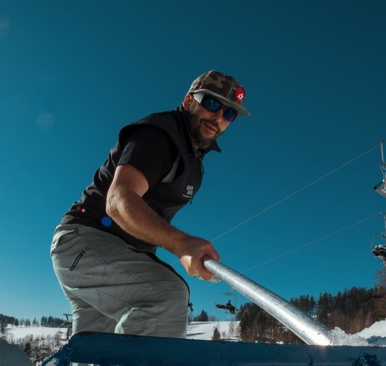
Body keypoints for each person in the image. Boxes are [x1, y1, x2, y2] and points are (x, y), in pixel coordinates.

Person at [50, 70, 250, 339]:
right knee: (166, 295)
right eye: (212, 104)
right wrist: (180, 243)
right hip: (87, 241)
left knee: (96, 346)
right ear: (190, 100)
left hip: (113, 258)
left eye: (229, 114)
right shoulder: (160, 135)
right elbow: (119, 201)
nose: (218, 117)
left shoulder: (193, 161)